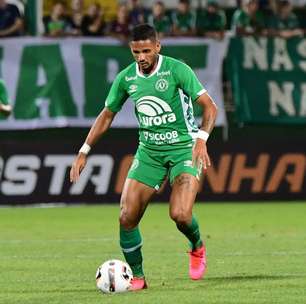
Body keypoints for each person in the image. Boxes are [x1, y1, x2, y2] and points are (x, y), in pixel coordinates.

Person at [70, 24, 217, 291]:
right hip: (148, 152)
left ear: (157, 47)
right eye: (136, 52)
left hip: (184, 148)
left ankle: (197, 246)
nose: (141, 57)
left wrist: (201, 140)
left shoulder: (176, 70)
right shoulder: (127, 78)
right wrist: (84, 150)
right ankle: (138, 277)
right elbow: (107, 115)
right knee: (126, 217)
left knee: (181, 215)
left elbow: (210, 107)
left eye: (146, 51)